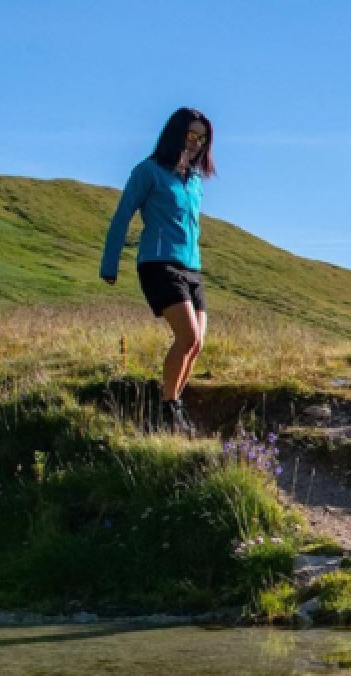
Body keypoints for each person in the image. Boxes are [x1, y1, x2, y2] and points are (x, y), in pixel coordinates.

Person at [100, 107, 216, 436]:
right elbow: (122, 215)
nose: (196, 143)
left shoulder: (195, 181)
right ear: (175, 134)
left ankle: (173, 406)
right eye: (191, 135)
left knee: (197, 344)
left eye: (202, 139)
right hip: (158, 264)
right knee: (187, 336)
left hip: (191, 267)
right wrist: (110, 264)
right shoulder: (148, 171)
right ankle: (167, 409)